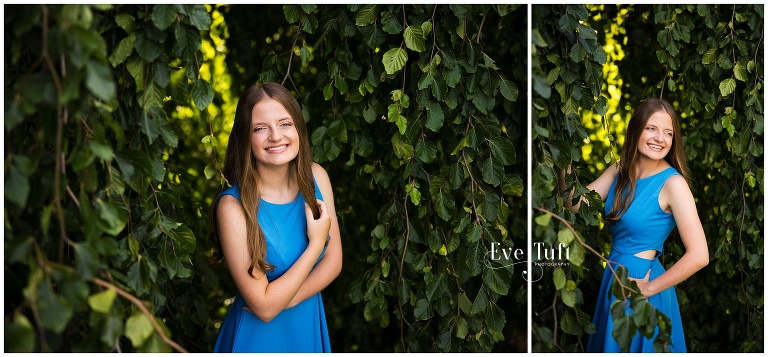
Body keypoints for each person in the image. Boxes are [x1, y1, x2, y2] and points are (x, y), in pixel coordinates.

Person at [559, 98, 708, 352]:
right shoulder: (619, 170)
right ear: (636, 129)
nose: (660, 138)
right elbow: (574, 203)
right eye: (651, 128)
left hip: (641, 286)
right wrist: (562, 156)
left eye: (668, 133)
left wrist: (649, 288)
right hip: (614, 278)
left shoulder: (674, 184)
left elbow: (699, 255)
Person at [208, 82, 342, 352]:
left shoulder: (316, 177)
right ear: (245, 137)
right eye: (260, 128)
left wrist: (285, 299)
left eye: (284, 124)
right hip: (257, 340)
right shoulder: (233, 207)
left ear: (298, 129)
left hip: (305, 330)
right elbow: (264, 309)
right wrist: (315, 244)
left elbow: (334, 261)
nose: (275, 136)